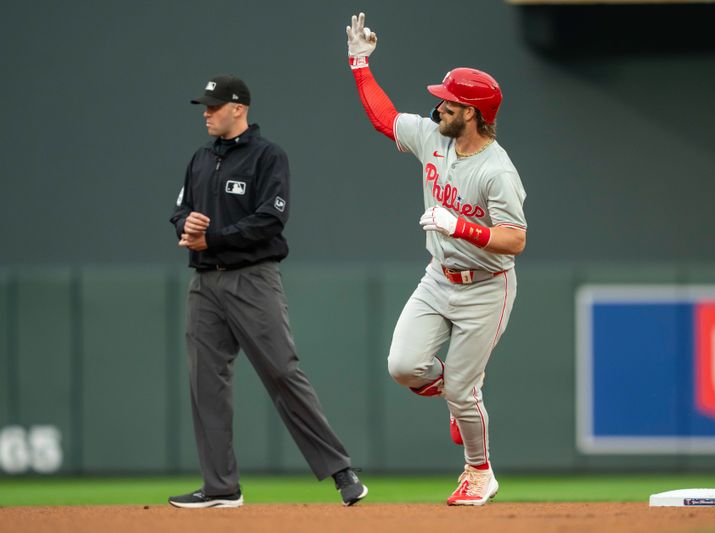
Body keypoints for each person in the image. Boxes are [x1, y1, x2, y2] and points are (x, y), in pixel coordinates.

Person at [345, 13, 527, 506]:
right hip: (437, 279)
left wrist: (459, 226)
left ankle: (479, 471)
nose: (438, 104)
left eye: (448, 99)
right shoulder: (433, 137)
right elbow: (384, 118)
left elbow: (514, 240)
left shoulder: (498, 171)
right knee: (404, 366)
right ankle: (456, 393)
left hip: (486, 286)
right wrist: (360, 63)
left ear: (470, 112)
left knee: (464, 393)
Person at [167, 74, 368, 508]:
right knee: (206, 383)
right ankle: (221, 487)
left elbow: (270, 219)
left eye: (214, 106)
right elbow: (179, 210)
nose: (206, 113)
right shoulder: (201, 158)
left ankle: (341, 471)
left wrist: (213, 237)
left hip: (252, 278)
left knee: (281, 372)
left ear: (239, 108)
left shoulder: (267, 157)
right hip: (204, 282)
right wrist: (188, 226)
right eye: (205, 105)